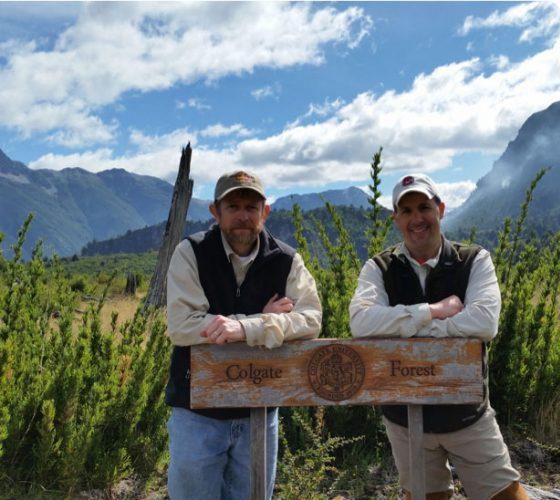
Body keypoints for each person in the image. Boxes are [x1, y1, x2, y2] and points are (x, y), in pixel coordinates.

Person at [349, 174, 528, 500]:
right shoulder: (378, 267)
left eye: (424, 207)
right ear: (396, 219)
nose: (417, 218)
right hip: (404, 422)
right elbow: (361, 323)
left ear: (440, 209)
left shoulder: (474, 260)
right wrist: (433, 312)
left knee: (506, 495)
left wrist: (404, 330)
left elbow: (485, 323)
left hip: (467, 416)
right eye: (406, 211)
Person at [165, 170, 322, 500]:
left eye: (251, 207)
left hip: (259, 412)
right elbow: (180, 326)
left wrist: (245, 327)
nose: (242, 215)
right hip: (195, 411)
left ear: (265, 212)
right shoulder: (190, 253)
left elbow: (311, 320)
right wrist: (264, 320)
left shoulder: (287, 260)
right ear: (215, 211)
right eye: (233, 205)